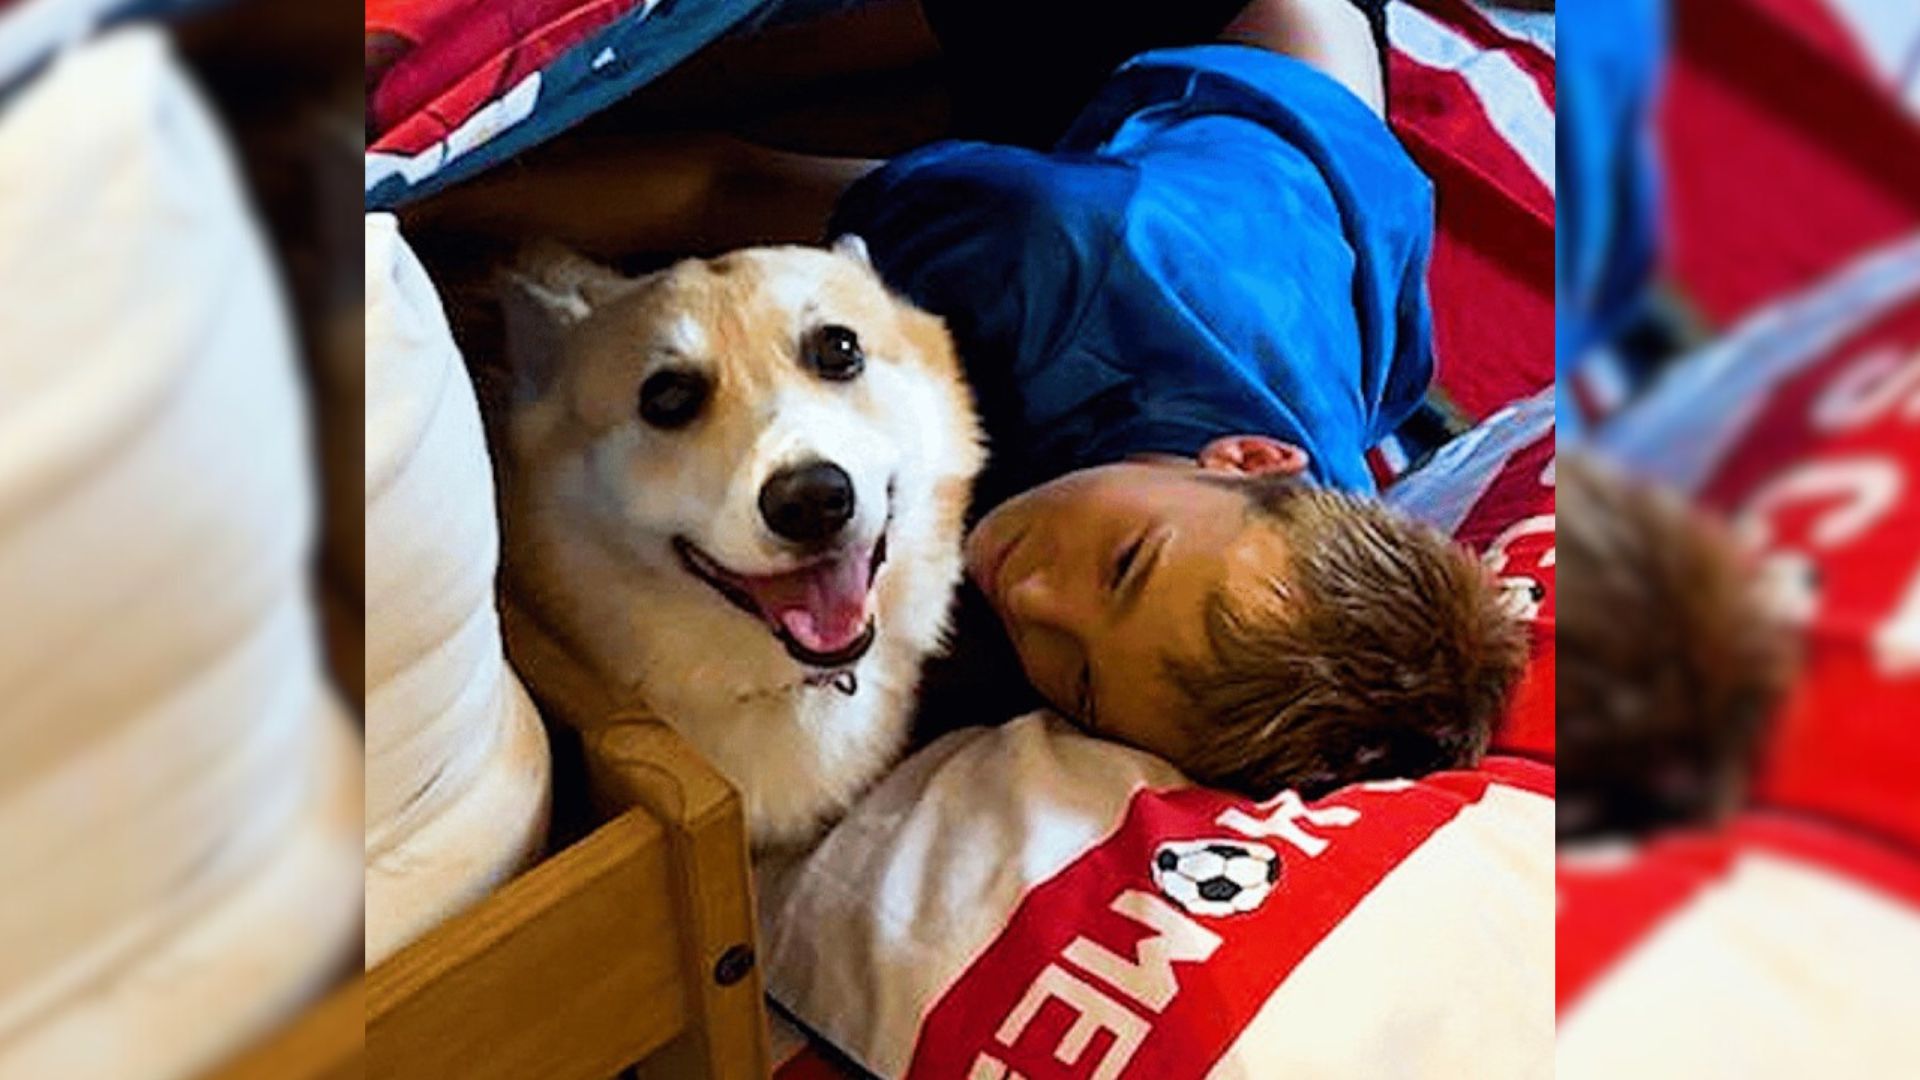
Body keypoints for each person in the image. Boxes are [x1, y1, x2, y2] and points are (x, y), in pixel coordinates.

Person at [420, 0, 1528, 799]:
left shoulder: (1271, 573)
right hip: (1236, 49)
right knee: (635, 76)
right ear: (1247, 459)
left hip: (1319, 191)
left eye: (1082, 683)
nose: (1034, 593)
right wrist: (403, 208)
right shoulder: (1048, 265)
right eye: (1122, 564)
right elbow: (721, 181)